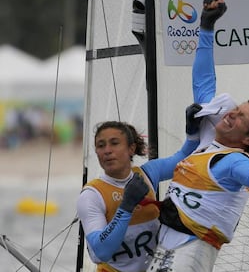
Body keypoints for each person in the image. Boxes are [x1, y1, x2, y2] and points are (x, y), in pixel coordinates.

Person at [146, 0, 249, 272]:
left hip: (190, 249)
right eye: (236, 109)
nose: (230, 114)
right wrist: (206, 26)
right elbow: (203, 80)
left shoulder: (235, 161)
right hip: (164, 241)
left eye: (240, 117)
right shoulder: (211, 132)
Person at [76, 114, 201, 272]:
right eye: (101, 146)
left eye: (114, 143)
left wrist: (193, 133)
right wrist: (126, 206)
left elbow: (186, 158)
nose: (107, 151)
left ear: (131, 148)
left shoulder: (148, 174)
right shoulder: (91, 195)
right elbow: (101, 252)